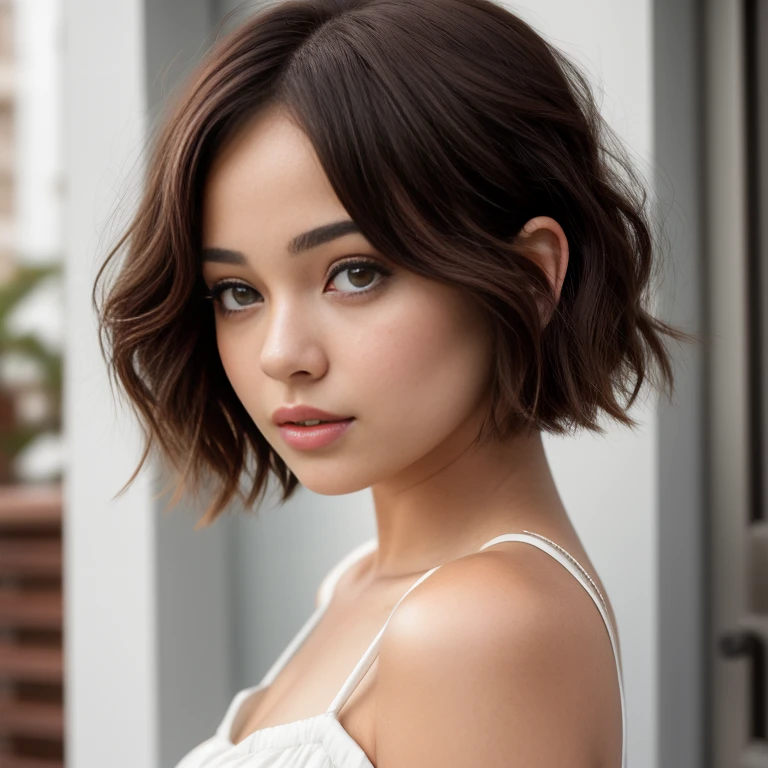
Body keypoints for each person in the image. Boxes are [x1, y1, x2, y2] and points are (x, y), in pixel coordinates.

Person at [94, 0, 690, 765]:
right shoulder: (358, 587)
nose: (282, 355)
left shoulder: (474, 628)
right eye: (237, 292)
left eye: (355, 273)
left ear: (533, 277)